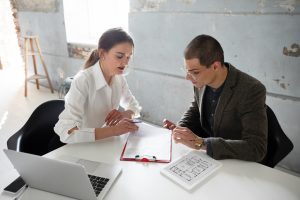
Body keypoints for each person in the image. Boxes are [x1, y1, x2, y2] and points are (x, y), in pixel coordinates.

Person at [163, 34, 267, 162]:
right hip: (208, 159)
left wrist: (201, 143)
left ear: (215, 66)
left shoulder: (251, 89)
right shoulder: (200, 82)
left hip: (236, 162)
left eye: (195, 72)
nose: (188, 77)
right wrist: (180, 130)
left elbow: (256, 148)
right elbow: (196, 108)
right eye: (187, 71)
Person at [54, 28, 141, 143]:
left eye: (128, 57)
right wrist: (114, 130)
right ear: (102, 53)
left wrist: (125, 114)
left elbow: (134, 106)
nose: (125, 63)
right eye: (119, 56)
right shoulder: (83, 80)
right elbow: (67, 132)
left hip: (103, 143)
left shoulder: (119, 78)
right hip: (80, 147)